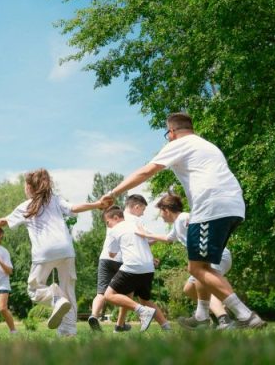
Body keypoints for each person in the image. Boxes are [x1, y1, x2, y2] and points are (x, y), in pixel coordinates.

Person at [101, 112, 265, 329]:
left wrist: (113, 192)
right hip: (233, 206)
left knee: (197, 269)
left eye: (167, 134)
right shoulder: (207, 146)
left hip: (210, 207)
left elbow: (147, 171)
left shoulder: (180, 143)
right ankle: (202, 316)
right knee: (201, 267)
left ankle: (245, 315)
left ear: (171, 132)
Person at [0, 168, 105, 336]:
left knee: (34, 290)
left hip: (45, 252)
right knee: (68, 289)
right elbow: (74, 207)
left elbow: (3, 221)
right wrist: (97, 204)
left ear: (29, 187)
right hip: (66, 250)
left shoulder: (26, 206)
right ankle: (68, 331)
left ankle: (56, 299)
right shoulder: (55, 200)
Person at [135, 193, 234, 329]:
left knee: (206, 285)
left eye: (160, 212)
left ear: (166, 210)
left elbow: (199, 226)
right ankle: (211, 315)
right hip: (210, 256)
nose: (160, 216)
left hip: (215, 255)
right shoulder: (177, 224)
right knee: (189, 289)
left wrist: (145, 234)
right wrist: (145, 236)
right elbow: (168, 238)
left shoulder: (183, 217)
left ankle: (224, 319)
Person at [102, 206, 170, 332]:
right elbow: (152, 238)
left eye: (107, 222)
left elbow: (111, 254)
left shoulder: (114, 230)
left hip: (132, 267)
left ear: (115, 218)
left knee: (109, 295)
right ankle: (167, 327)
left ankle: (142, 311)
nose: (108, 226)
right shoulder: (136, 225)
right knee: (145, 300)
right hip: (148, 268)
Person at [87, 195, 147, 333]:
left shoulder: (111, 221)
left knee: (101, 292)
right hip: (122, 260)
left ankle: (94, 315)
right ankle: (120, 325)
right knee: (128, 293)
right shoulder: (129, 221)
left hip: (105, 259)